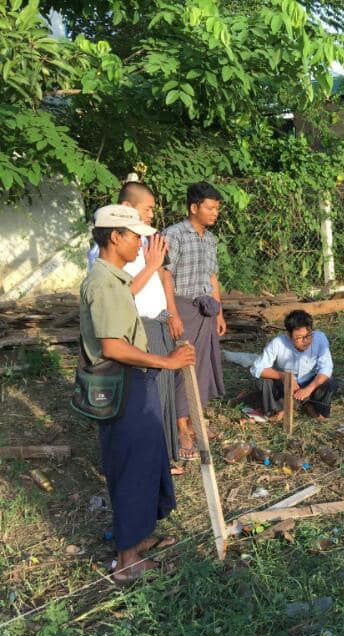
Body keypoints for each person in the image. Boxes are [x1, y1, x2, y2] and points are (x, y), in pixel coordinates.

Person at [80, 204, 195, 584]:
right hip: (122, 382)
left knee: (147, 460)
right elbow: (112, 345)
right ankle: (127, 561)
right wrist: (168, 361)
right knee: (131, 468)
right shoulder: (100, 282)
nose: (140, 243)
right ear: (115, 236)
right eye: (135, 236)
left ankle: (137, 538)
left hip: (131, 383)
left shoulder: (111, 278)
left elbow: (125, 294)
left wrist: (149, 267)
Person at [87, 182, 185, 474]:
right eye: (148, 209)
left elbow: (162, 279)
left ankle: (162, 454)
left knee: (161, 392)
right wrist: (151, 266)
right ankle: (147, 459)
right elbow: (123, 294)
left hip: (157, 321)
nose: (152, 215)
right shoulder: (105, 256)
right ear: (126, 210)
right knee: (143, 398)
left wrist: (170, 313)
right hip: (134, 329)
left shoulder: (145, 241)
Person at [162, 182, 226, 458]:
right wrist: (172, 314)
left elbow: (212, 277)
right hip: (182, 308)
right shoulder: (173, 235)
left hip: (205, 310)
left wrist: (219, 312)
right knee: (183, 364)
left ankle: (196, 419)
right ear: (194, 207)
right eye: (210, 208)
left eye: (217, 208)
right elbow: (164, 275)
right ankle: (181, 427)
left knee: (202, 367)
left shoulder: (209, 240)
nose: (215, 213)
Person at [249, 310, 336, 420]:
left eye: (308, 336)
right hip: (287, 385)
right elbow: (256, 368)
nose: (305, 341)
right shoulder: (278, 343)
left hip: (311, 382)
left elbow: (326, 367)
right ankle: (276, 410)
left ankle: (310, 405)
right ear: (289, 335)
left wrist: (308, 389)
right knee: (264, 381)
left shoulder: (320, 338)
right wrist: (283, 376)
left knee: (329, 382)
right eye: (299, 338)